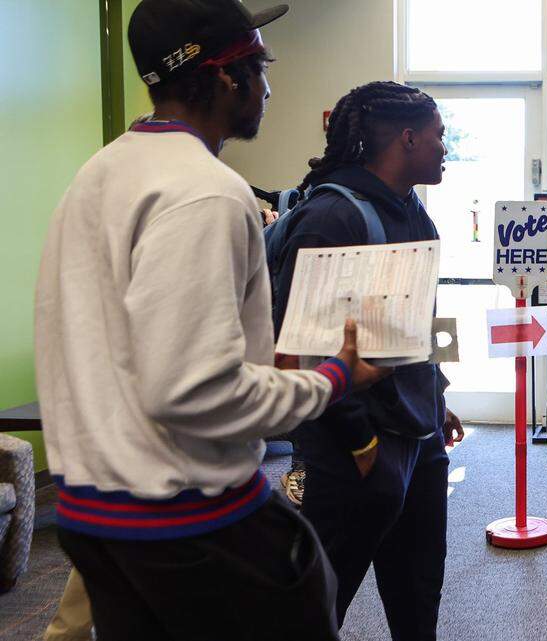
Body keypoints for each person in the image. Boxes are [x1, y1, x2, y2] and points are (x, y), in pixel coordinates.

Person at [33, 1, 387, 638]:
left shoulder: (97, 174)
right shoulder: (206, 190)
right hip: (188, 524)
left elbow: (128, 350)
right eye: (261, 67)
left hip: (95, 518)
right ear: (227, 78)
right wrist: (332, 379)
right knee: (310, 591)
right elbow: (194, 387)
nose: (269, 87)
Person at [271, 80, 464, 638]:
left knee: (418, 591)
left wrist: (435, 399)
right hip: (352, 447)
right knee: (320, 600)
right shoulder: (331, 218)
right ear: (407, 138)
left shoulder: (413, 214)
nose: (445, 146)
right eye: (438, 135)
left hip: (417, 437)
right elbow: (307, 349)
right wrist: (360, 440)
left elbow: (410, 326)